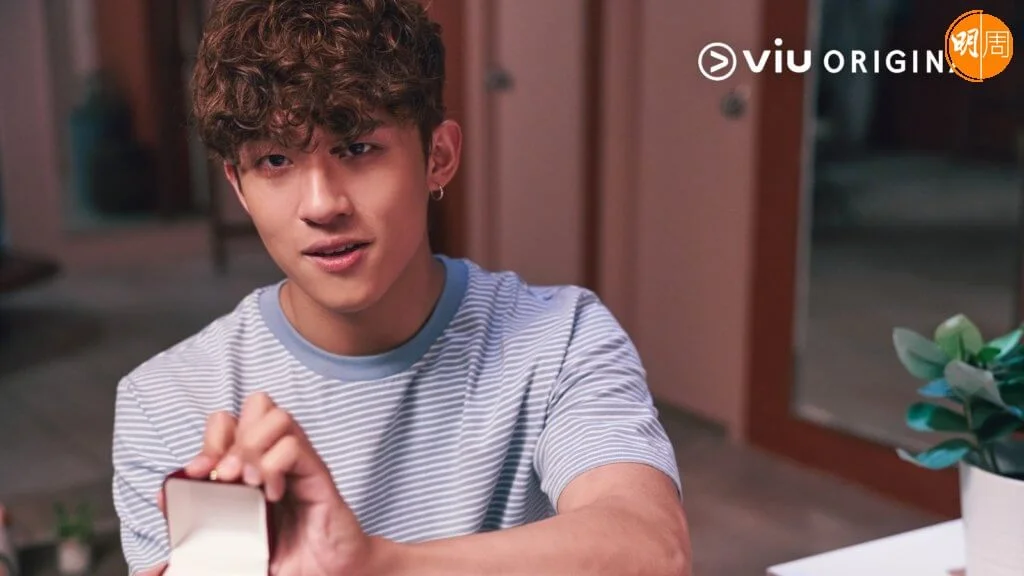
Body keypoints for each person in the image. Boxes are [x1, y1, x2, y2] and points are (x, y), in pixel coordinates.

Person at [111, 1, 691, 574]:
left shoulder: (561, 339)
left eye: (357, 148)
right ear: (239, 187)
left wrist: (376, 565)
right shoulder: (166, 403)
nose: (322, 205)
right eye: (276, 161)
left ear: (438, 156)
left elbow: (652, 547)